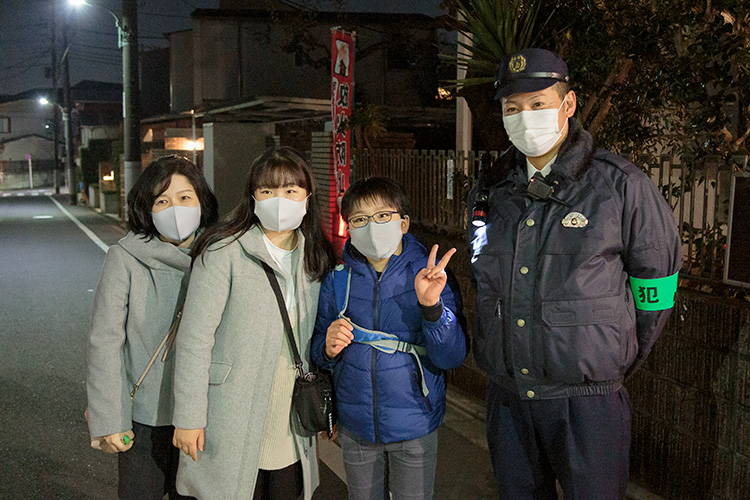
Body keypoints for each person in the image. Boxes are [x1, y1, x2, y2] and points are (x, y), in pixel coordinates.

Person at [467, 48, 683, 500]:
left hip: (588, 404)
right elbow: (481, 278)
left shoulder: (621, 186)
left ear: (568, 105)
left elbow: (657, 290)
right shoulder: (492, 191)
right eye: (513, 108)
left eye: (538, 104)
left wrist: (611, 361)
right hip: (508, 398)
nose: (525, 118)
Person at [171, 146, 337, 500]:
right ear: (252, 197)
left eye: (291, 190)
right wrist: (188, 416)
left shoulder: (316, 257)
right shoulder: (223, 252)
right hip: (231, 412)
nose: (280, 200)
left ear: (308, 197)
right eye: (267, 191)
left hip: (289, 415)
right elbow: (194, 340)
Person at [312, 177, 468, 500]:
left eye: (383, 216)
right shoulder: (338, 279)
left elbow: (451, 357)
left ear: (403, 222)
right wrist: (326, 346)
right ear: (350, 228)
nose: (372, 226)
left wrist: (432, 308)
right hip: (356, 428)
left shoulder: (430, 275)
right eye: (360, 219)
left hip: (415, 423)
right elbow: (317, 350)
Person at [86, 155, 219, 500]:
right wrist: (109, 416)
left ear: (202, 201)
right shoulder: (126, 258)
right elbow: (105, 342)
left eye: (185, 197)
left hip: (205, 412)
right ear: (148, 208)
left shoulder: (219, 256)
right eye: (162, 200)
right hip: (145, 417)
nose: (175, 208)